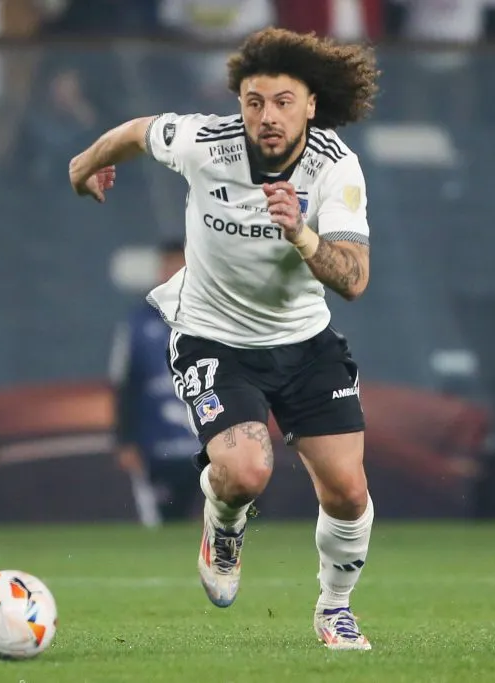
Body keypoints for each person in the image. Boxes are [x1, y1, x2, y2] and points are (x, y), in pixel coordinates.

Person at [69, 27, 379, 650]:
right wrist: (86, 163)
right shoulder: (205, 142)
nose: (267, 116)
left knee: (347, 492)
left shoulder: (336, 168)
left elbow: (354, 278)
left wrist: (302, 234)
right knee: (244, 471)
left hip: (304, 343)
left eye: (283, 102)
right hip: (213, 338)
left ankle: (335, 608)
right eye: (254, 101)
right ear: (238, 102)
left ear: (311, 105)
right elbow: (137, 132)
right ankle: (225, 522)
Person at [109, 239, 203, 526]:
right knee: (166, 527)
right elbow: (125, 385)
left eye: (182, 264)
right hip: (160, 447)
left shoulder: (217, 319)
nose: (174, 272)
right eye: (169, 265)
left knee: (235, 520)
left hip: (211, 443)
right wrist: (124, 440)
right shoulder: (137, 324)